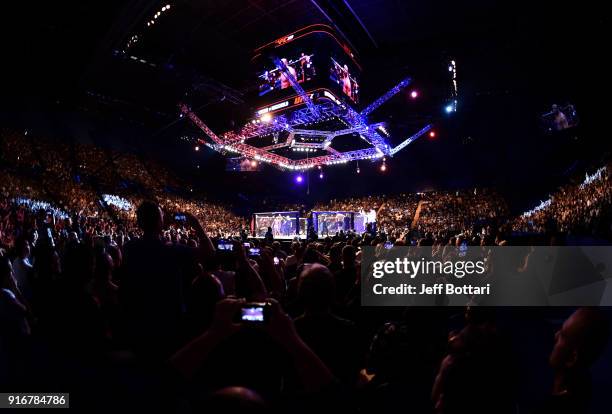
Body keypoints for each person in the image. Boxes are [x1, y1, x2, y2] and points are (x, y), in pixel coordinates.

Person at [119, 200, 214, 359]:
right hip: (169, 321)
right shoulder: (170, 250)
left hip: (138, 322)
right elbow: (209, 252)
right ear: (159, 221)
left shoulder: (129, 248)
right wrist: (196, 224)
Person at [537, 308, 610, 414]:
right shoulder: (581, 382)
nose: (555, 336)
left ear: (571, 358)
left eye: (562, 335)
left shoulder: (557, 408)